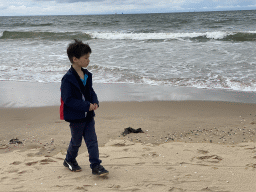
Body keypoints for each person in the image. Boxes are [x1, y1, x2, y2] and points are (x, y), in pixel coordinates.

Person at [60, 39, 109, 176]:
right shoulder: (67, 79)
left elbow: (91, 91)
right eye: (86, 58)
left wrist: (95, 102)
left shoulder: (87, 75)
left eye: (89, 57)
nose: (88, 60)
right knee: (76, 142)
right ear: (75, 59)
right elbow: (67, 99)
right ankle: (69, 159)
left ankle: (96, 165)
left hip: (88, 115)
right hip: (76, 116)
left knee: (92, 140)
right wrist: (86, 106)